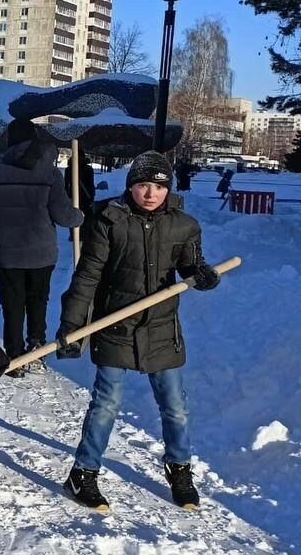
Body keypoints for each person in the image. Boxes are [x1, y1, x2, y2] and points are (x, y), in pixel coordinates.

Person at [55, 151, 222, 512]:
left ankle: (179, 469)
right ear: (131, 186)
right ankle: (83, 473)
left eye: (159, 186)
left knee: (175, 407)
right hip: (115, 325)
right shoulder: (109, 221)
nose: (150, 193)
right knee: (106, 403)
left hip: (162, 329)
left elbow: (191, 267)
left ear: (168, 189)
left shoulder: (185, 226)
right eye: (143, 185)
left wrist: (204, 277)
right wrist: (72, 326)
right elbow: (87, 277)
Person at [0, 119, 84, 378]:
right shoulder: (50, 175)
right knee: (37, 300)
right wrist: (80, 217)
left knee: (12, 304)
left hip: (5, 254)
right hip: (41, 253)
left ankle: (14, 355)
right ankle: (36, 345)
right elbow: (64, 215)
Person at [64, 143, 97, 234]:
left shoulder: (68, 169)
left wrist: (67, 198)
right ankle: (85, 233)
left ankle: (74, 233)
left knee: (74, 215)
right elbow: (91, 184)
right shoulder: (88, 169)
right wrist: (91, 197)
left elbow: (66, 185)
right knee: (87, 217)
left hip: (73, 196)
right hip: (85, 198)